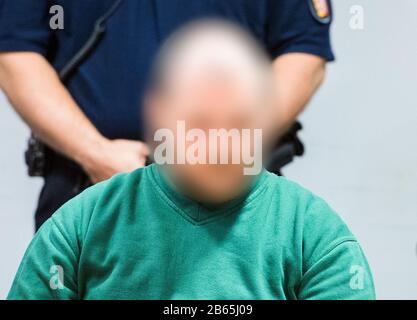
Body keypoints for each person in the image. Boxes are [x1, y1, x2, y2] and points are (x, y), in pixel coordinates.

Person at [7, 21, 375, 300]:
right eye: (199, 124)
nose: (219, 144)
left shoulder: (316, 238)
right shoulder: (79, 228)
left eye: (237, 123)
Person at [0, 0, 334, 230]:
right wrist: (95, 153)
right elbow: (14, 53)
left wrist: (225, 148)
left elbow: (303, 54)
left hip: (237, 199)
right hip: (91, 191)